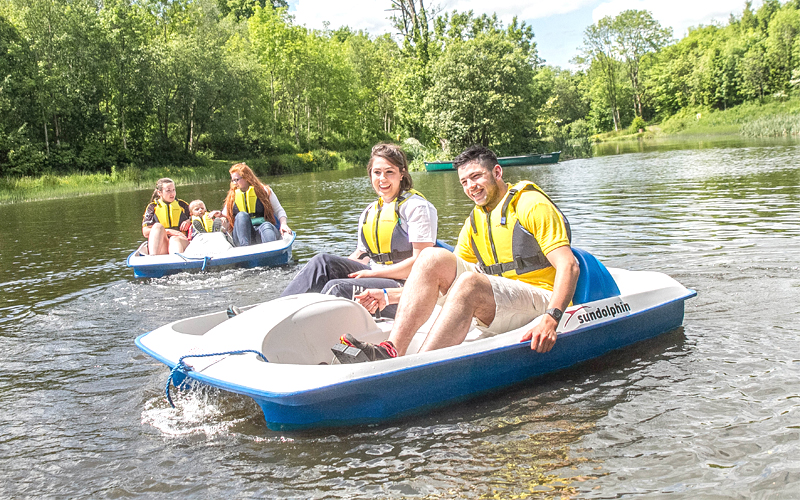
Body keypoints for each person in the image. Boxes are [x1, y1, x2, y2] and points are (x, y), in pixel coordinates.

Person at [333, 144, 580, 363]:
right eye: (464, 181)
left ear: (497, 173)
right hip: (502, 298)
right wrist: (388, 296)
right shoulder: (476, 219)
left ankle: (420, 365)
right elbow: (437, 281)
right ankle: (391, 349)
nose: (471, 187)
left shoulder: (530, 204)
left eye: (476, 177)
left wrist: (552, 318)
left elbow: (569, 266)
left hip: (543, 299)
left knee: (470, 283)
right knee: (432, 258)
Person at [280, 143, 438, 318]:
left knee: (337, 288)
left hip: (406, 287)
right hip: (376, 275)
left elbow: (422, 264)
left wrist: (372, 273)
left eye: (389, 172)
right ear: (370, 174)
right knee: (322, 263)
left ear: (402, 174)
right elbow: (361, 255)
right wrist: (341, 270)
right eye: (377, 172)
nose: (382, 179)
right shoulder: (370, 211)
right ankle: (277, 313)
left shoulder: (417, 207)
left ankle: (303, 328)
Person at [223, 163, 291, 246]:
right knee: (241, 216)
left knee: (266, 225)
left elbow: (279, 210)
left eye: (237, 180)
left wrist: (283, 224)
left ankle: (271, 249)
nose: (234, 183)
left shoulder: (265, 191)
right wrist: (220, 216)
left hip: (261, 231)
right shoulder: (232, 196)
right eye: (232, 180)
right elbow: (225, 217)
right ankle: (245, 250)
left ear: (247, 178)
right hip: (242, 236)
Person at [141, 177, 190, 255]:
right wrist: (168, 231)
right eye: (168, 191)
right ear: (159, 192)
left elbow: (201, 214)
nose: (172, 194)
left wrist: (189, 221)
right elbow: (145, 232)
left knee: (174, 239)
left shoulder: (182, 205)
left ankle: (177, 263)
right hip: (163, 244)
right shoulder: (152, 207)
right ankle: (153, 259)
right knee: (157, 226)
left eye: (174, 190)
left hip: (180, 241)